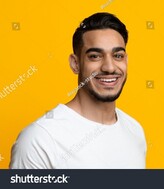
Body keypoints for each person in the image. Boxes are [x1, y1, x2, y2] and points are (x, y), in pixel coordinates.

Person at [9, 12, 147, 169]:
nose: (109, 67)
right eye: (95, 56)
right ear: (75, 64)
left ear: (126, 60)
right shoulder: (39, 139)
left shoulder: (135, 130)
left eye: (118, 55)